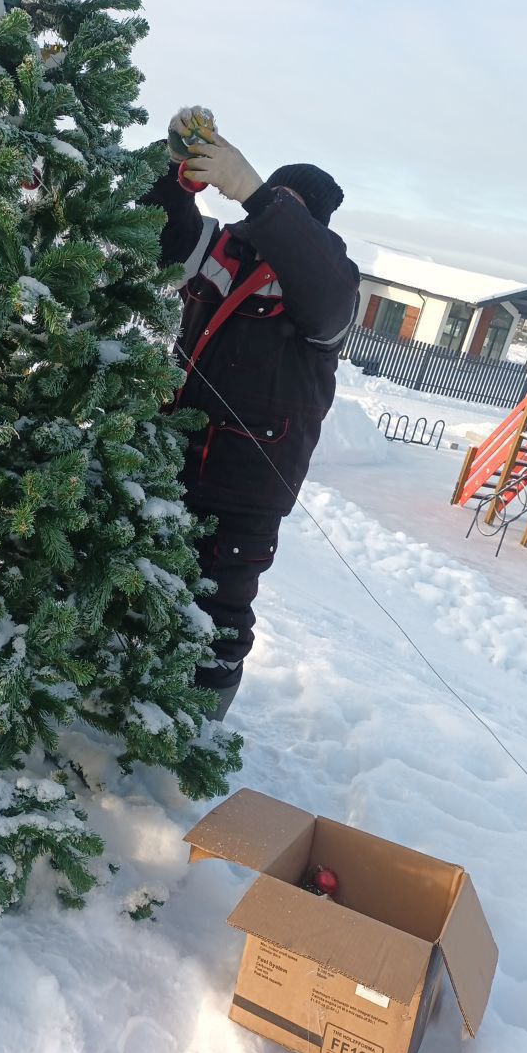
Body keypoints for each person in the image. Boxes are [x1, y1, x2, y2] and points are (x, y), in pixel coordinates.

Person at [142, 109, 360, 721]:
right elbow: (163, 236)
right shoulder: (224, 251)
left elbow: (324, 291)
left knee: (221, 604)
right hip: (174, 451)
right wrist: (177, 174)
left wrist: (258, 192)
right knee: (149, 577)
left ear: (308, 221)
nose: (266, 211)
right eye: (270, 197)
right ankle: (136, 695)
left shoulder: (330, 282)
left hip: (249, 483)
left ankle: (199, 727)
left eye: (286, 204)